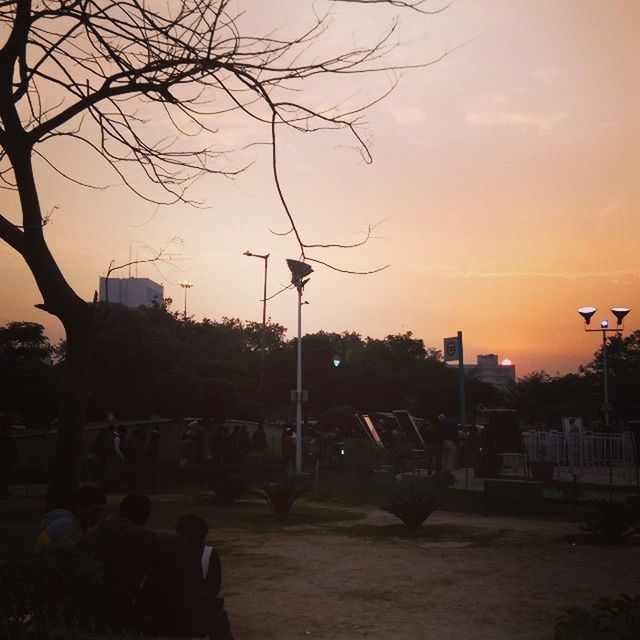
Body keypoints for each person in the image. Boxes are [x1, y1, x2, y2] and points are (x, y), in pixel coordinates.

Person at [78, 493, 185, 629]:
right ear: (145, 517)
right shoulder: (138, 536)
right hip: (118, 608)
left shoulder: (89, 535)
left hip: (86, 606)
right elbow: (180, 542)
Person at [137, 514, 233, 639]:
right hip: (190, 619)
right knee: (219, 618)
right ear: (203, 533)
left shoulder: (163, 553)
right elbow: (213, 588)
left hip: (159, 620)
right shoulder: (208, 554)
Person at [35, 485, 107, 549]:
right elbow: (70, 559)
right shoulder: (67, 527)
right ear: (79, 510)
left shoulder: (70, 523)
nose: (100, 516)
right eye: (96, 511)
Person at [0, 422, 18, 496]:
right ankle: (3, 488)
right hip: (5, 460)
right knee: (4, 475)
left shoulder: (8, 439)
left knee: (5, 475)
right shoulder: (4, 440)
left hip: (7, 460)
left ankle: (4, 488)